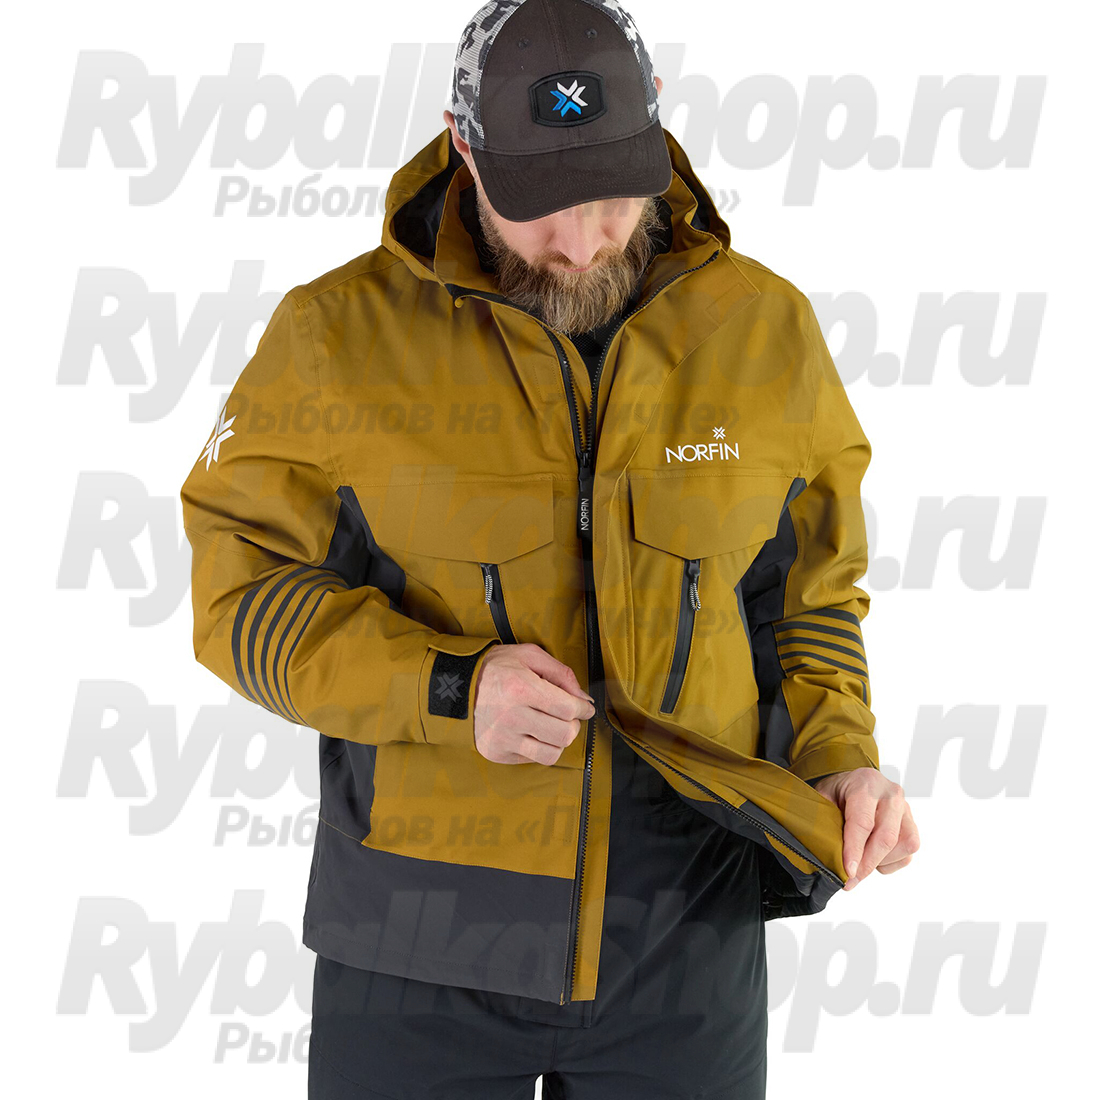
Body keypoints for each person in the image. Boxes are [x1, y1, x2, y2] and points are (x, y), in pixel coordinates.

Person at [180, 1, 919, 1095]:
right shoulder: (333, 338)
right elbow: (239, 592)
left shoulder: (764, 331)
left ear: (654, 120)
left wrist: (838, 754)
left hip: (689, 935)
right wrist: (449, 687)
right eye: (538, 204)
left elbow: (807, 596)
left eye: (612, 194)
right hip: (413, 940)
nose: (580, 244)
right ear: (463, 145)